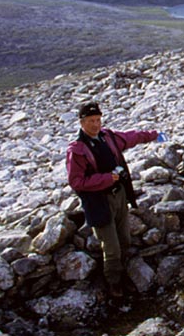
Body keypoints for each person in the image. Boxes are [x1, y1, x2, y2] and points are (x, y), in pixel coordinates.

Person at [65, 101, 166, 298]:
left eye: (98, 120)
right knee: (111, 247)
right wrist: (106, 179)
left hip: (119, 195)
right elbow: (76, 181)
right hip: (98, 202)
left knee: (125, 240)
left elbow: (131, 137)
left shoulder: (108, 137)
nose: (96, 125)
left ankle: (124, 275)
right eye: (91, 121)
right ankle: (114, 284)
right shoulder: (77, 150)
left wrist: (153, 135)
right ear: (81, 122)